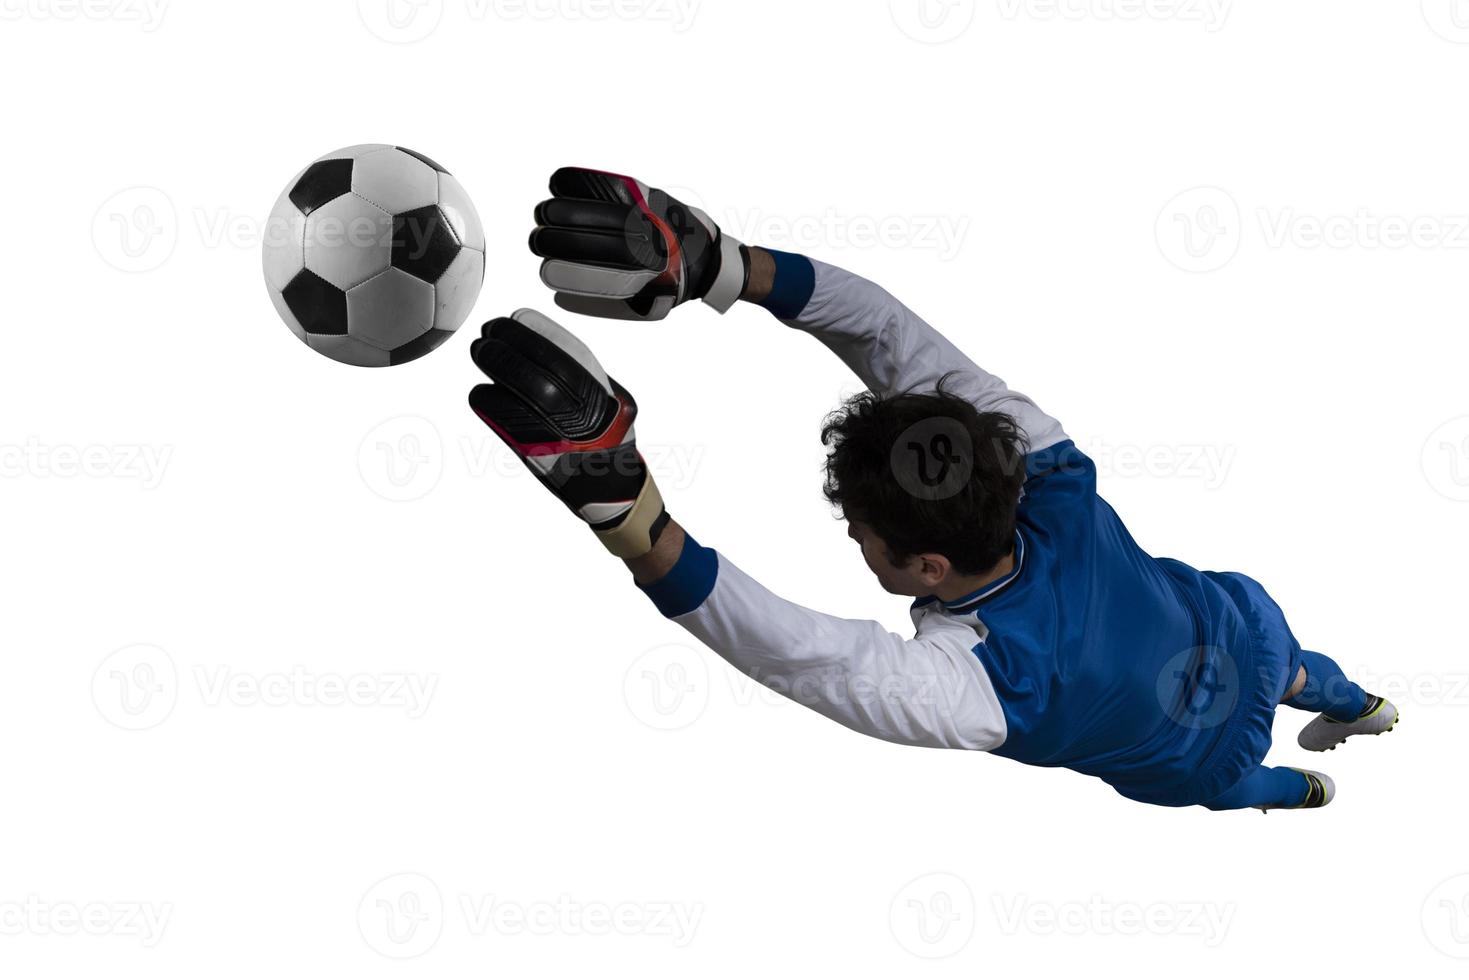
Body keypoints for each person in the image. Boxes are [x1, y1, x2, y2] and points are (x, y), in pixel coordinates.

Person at [468, 168, 1397, 812]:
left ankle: (1307, 790)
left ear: (926, 565)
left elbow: (802, 655)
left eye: (861, 535)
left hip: (1197, 756)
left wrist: (634, 522)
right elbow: (885, 332)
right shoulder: (1045, 467)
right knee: (1296, 668)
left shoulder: (983, 690)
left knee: (1244, 788)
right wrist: (724, 265)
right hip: (1242, 624)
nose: (851, 540)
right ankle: (1356, 705)